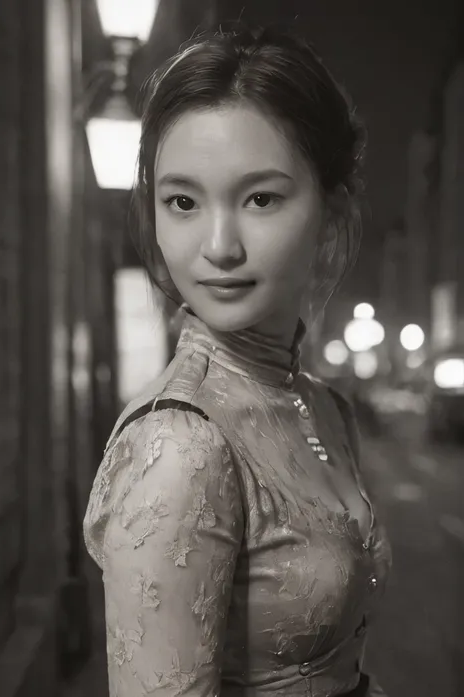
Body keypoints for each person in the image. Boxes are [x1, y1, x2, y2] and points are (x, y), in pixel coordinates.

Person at [84, 24, 392, 697]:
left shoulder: (323, 405)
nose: (219, 246)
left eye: (260, 198)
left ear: (330, 218)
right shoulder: (181, 444)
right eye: (183, 202)